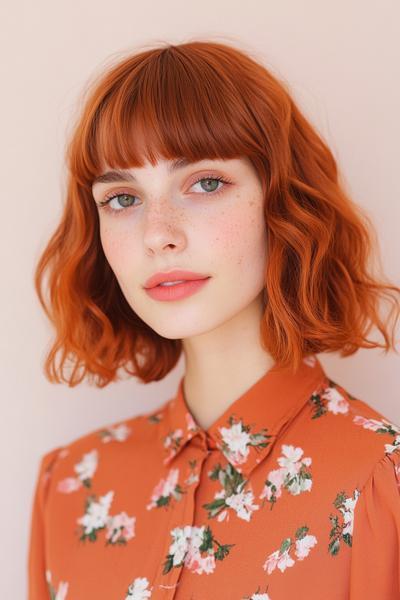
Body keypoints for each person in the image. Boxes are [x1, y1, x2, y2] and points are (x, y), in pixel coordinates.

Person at [28, 39, 400, 600]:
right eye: (123, 198)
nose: (158, 233)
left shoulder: (378, 480)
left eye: (205, 183)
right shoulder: (70, 485)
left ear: (281, 203)